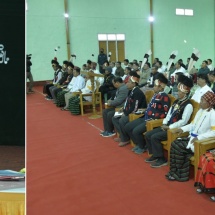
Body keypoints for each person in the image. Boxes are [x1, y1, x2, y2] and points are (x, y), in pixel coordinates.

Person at [145, 75, 194, 167]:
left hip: (175, 129)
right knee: (148, 134)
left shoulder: (188, 105)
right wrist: (164, 123)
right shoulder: (176, 101)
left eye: (179, 91)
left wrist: (169, 127)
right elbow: (169, 114)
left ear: (185, 93)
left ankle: (161, 159)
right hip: (167, 125)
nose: (177, 93)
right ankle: (155, 155)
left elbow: (183, 121)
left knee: (155, 137)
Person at [165, 91, 215, 182]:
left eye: (202, 101)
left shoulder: (213, 114)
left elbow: (214, 132)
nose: (200, 102)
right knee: (174, 143)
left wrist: (199, 138)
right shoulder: (200, 111)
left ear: (209, 103)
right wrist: (182, 129)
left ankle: (181, 176)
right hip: (191, 138)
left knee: (178, 146)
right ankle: (174, 172)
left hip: (200, 142)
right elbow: (192, 125)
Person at [124, 75, 171, 154]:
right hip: (146, 116)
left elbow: (165, 113)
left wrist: (152, 115)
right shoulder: (156, 94)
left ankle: (142, 146)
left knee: (136, 131)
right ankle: (140, 144)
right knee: (128, 127)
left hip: (152, 120)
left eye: (156, 86)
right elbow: (152, 107)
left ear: (161, 87)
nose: (154, 87)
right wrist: (145, 110)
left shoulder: (164, 97)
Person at [112, 74, 147, 147]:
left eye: (128, 82)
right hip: (128, 111)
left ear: (134, 84)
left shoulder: (137, 92)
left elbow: (135, 107)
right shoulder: (130, 91)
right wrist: (123, 109)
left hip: (136, 113)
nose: (126, 84)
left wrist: (126, 113)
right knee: (114, 117)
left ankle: (125, 139)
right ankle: (123, 136)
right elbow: (127, 103)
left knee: (122, 120)